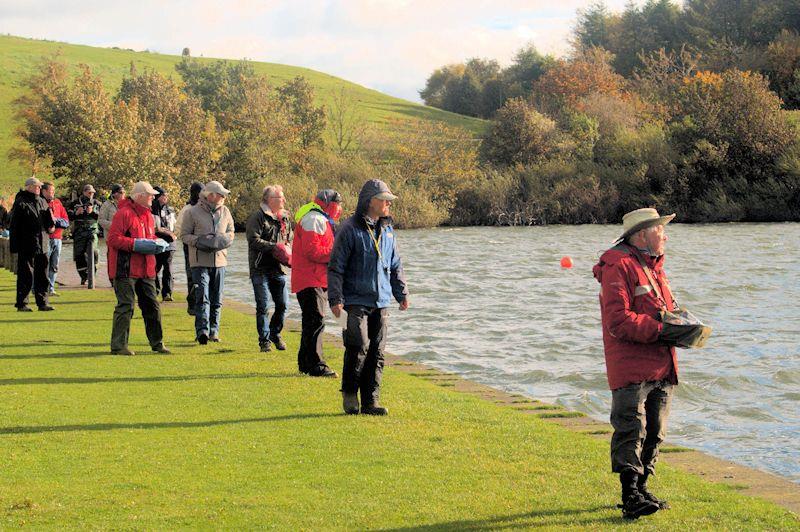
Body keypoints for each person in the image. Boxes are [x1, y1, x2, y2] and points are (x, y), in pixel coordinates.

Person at [592, 207, 679, 520]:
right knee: (632, 427)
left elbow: (663, 310)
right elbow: (618, 321)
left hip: (661, 361)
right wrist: (663, 329)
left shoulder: (653, 265)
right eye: (660, 229)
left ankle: (641, 489)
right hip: (630, 364)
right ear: (642, 234)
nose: (665, 235)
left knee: (655, 430)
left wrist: (682, 325)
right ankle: (630, 495)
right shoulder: (618, 265)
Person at [328, 179, 409, 415]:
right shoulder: (349, 229)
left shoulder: (388, 230)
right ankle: (350, 396)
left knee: (377, 351)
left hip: (381, 301)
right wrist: (335, 299)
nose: (388, 205)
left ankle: (371, 401)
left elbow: (395, 264)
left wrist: (401, 293)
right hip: (353, 302)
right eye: (384, 200)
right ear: (371, 201)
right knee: (357, 346)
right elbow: (336, 267)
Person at [106, 181, 171, 355]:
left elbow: (148, 238)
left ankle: (157, 343)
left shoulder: (148, 216)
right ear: (140, 196)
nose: (153, 198)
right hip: (124, 268)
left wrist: (158, 243)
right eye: (150, 195)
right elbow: (112, 239)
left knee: (153, 306)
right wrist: (136, 244)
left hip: (146, 269)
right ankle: (119, 346)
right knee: (126, 306)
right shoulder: (123, 214)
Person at [291, 189, 343, 376]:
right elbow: (312, 251)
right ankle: (316, 365)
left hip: (314, 278)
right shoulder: (314, 219)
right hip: (309, 278)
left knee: (311, 321)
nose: (341, 208)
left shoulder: (320, 219)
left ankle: (305, 363)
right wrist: (337, 255)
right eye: (339, 204)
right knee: (316, 320)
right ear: (329, 203)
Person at [181, 180, 235, 345]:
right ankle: (202, 331)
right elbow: (184, 235)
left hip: (220, 261)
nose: (223, 197)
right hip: (199, 261)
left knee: (217, 299)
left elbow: (231, 232)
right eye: (221, 194)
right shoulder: (192, 212)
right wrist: (200, 241)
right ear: (211, 195)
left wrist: (222, 240)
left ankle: (214, 331)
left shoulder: (225, 211)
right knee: (202, 296)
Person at [246, 185, 293, 352]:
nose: (284, 200)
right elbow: (253, 240)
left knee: (283, 305)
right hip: (260, 268)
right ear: (269, 199)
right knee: (263, 306)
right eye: (280, 197)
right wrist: (275, 247)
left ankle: (275, 333)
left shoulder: (284, 218)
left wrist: (286, 250)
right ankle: (264, 341)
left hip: (278, 269)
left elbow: (289, 237)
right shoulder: (257, 217)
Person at [9, 177, 55, 311]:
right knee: (25, 275)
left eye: (40, 187)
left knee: (43, 275)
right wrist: (14, 246)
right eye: (37, 186)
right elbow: (14, 226)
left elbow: (48, 224)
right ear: (29, 187)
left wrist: (51, 225)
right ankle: (22, 303)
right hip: (27, 244)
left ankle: (43, 302)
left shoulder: (42, 201)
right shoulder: (21, 203)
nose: (39, 188)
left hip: (43, 243)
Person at [175, 182, 203, 315]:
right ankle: (192, 305)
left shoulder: (205, 208)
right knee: (192, 275)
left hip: (203, 247)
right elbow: (178, 229)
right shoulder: (186, 209)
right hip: (190, 246)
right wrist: (190, 239)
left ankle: (200, 303)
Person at [68, 184, 102, 285]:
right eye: (89, 192)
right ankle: (83, 276)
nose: (91, 195)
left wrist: (92, 212)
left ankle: (92, 274)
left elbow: (102, 217)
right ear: (84, 192)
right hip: (79, 231)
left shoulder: (97, 203)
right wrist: (76, 213)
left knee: (95, 252)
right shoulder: (75, 203)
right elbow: (69, 216)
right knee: (79, 254)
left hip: (92, 230)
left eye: (92, 193)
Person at [41, 182, 70, 296]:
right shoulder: (40, 203)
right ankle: (40, 288)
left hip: (58, 238)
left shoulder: (58, 203)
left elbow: (66, 221)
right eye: (50, 191)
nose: (52, 193)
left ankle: (51, 288)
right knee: (43, 264)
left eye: (53, 191)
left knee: (54, 265)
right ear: (44, 191)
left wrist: (55, 220)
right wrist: (50, 220)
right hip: (45, 238)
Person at [152, 186, 177, 301]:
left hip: (170, 243)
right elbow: (154, 228)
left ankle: (167, 293)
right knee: (155, 268)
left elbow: (175, 226)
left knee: (168, 268)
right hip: (156, 243)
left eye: (166, 195)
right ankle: (155, 291)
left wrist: (173, 234)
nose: (166, 197)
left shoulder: (170, 210)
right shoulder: (150, 210)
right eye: (163, 195)